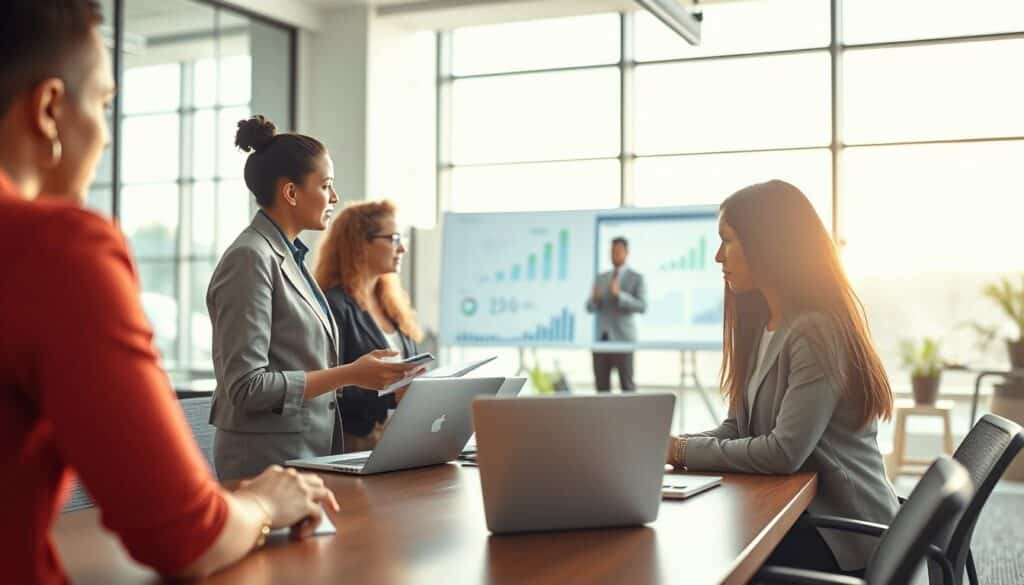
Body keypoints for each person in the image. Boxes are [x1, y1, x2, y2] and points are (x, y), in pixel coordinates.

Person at [0, 2, 341, 582]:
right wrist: (266, 503)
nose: (106, 138)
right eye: (105, 104)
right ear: (50, 108)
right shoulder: (54, 250)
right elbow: (187, 537)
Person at [665, 180, 898, 574]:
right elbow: (738, 427)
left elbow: (783, 452)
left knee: (706, 562)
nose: (718, 256)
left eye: (728, 240)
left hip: (847, 536)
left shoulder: (814, 331)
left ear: (767, 245)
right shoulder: (766, 323)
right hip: (810, 518)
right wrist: (674, 445)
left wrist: (680, 453)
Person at [207, 115, 419, 479]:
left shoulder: (289, 255)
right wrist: (349, 374)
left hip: (304, 458)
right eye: (326, 185)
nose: (334, 197)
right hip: (265, 467)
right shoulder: (251, 257)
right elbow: (246, 386)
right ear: (291, 192)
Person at [313, 200, 424, 453]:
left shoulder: (392, 306)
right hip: (356, 442)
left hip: (399, 436)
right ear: (360, 243)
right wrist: (389, 395)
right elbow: (326, 388)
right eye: (394, 238)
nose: (403, 248)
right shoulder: (333, 305)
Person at [585, 237, 646, 392]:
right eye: (612, 251)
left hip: (623, 341)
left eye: (618, 251)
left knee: (627, 386)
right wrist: (595, 300)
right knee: (601, 388)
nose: (614, 254)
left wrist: (620, 295)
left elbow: (642, 306)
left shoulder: (636, 278)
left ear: (626, 253)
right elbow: (589, 307)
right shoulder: (601, 278)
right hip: (602, 341)